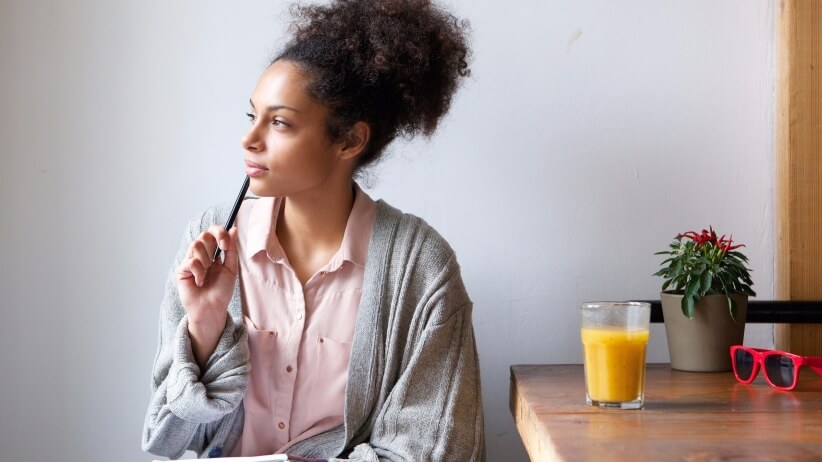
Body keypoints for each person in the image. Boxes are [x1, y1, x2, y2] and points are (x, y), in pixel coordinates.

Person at [142, 0, 484, 460]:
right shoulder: (211, 239)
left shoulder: (421, 269)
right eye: (252, 116)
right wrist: (205, 329)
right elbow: (167, 437)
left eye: (280, 122)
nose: (250, 139)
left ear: (350, 140)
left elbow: (433, 451)